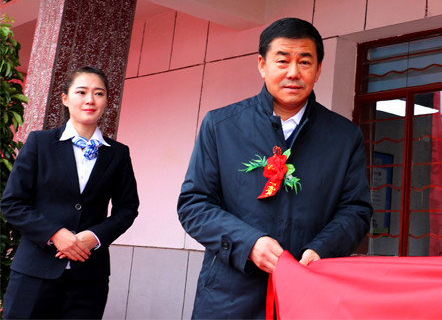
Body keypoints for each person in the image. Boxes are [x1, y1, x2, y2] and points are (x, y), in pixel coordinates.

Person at [177, 17, 372, 319]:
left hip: (308, 293)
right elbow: (194, 205)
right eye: (282, 61)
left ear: (319, 69)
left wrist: (322, 250)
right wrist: (249, 244)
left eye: (305, 62)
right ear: (262, 65)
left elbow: (356, 210)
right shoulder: (221, 126)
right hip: (228, 297)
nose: (293, 72)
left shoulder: (344, 137)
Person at [1, 66, 140, 319]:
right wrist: (54, 234)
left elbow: (128, 208)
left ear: (106, 101)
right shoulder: (40, 143)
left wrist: (95, 236)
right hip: (34, 273)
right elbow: (12, 203)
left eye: (99, 93)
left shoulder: (118, 153)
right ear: (65, 99)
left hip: (89, 278)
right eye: (81, 92)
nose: (90, 100)